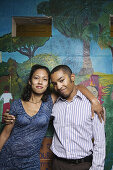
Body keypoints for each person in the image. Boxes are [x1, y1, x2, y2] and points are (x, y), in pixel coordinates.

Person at [1, 64, 104, 170]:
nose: (59, 86)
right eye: (36, 78)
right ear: (30, 81)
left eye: (45, 79)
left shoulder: (54, 101)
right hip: (12, 157)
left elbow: (76, 87)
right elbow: (6, 133)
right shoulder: (22, 104)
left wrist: (94, 100)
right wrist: (8, 116)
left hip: (35, 162)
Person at [50, 65, 105, 170]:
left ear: (72, 77)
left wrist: (97, 168)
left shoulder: (93, 106)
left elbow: (100, 143)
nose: (59, 86)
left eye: (62, 80)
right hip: (57, 164)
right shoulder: (54, 104)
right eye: (54, 84)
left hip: (83, 165)